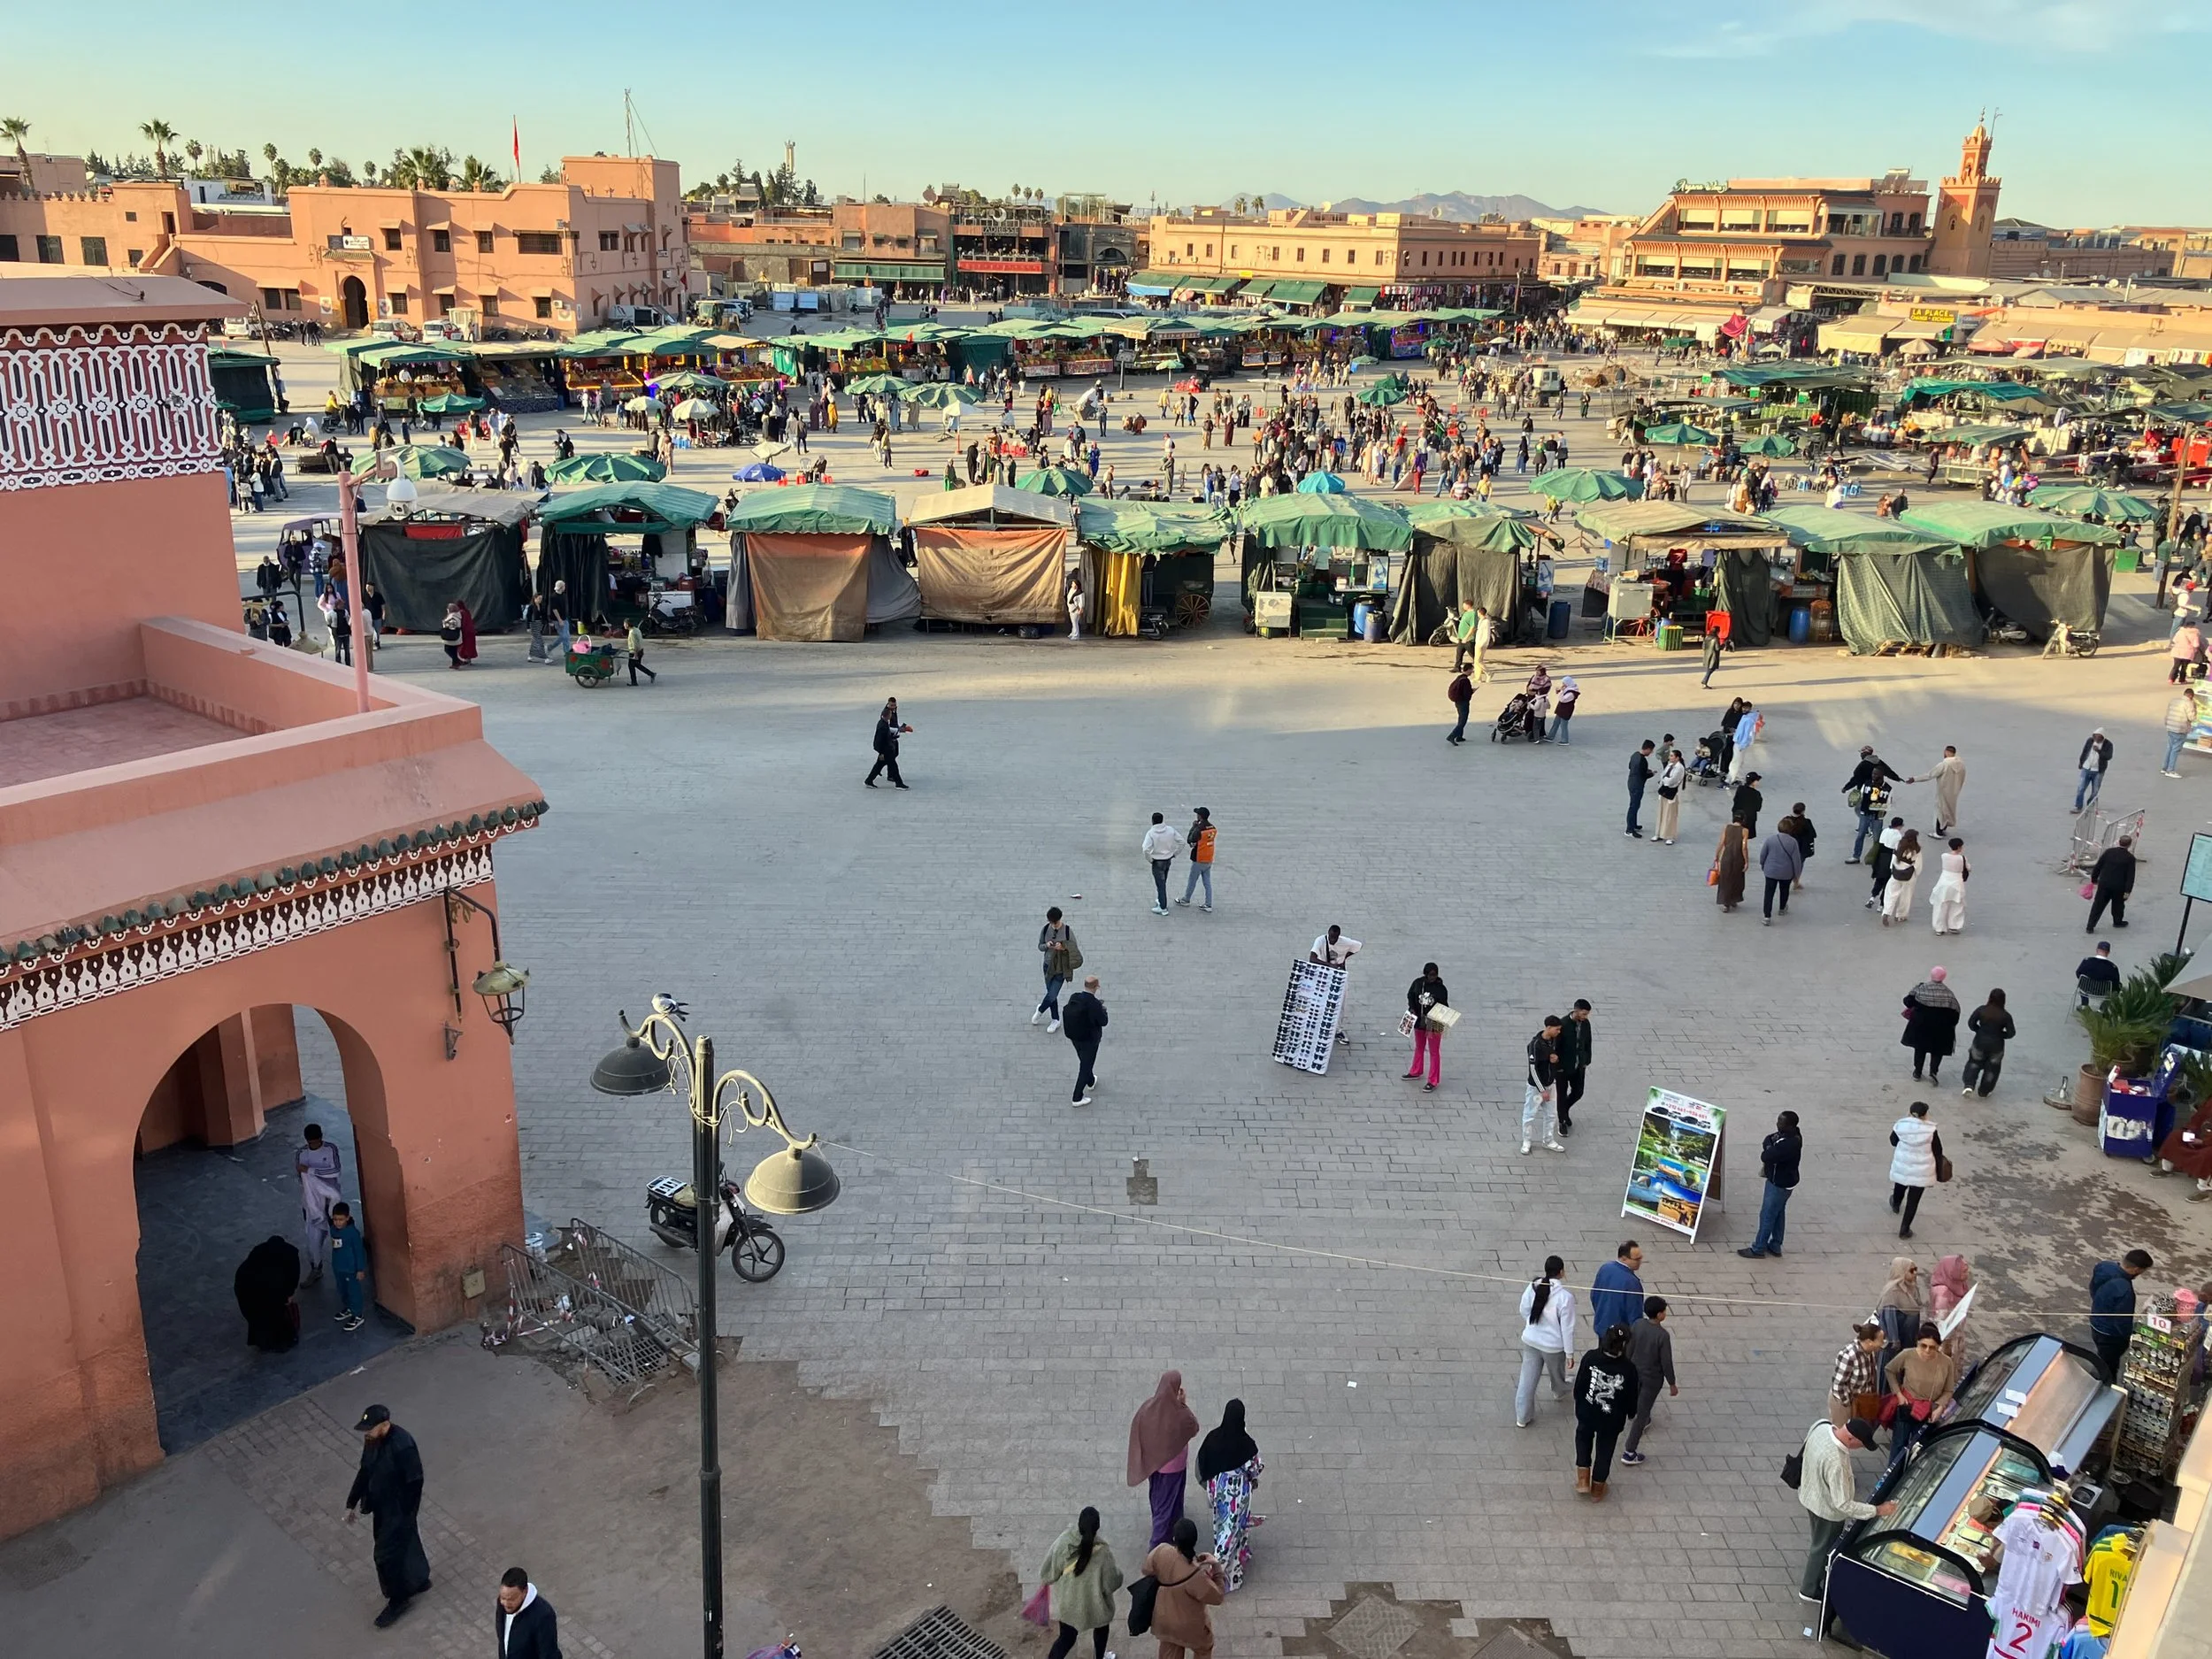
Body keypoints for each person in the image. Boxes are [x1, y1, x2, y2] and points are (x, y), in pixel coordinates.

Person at [345, 1404, 432, 1629]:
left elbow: (415, 1482)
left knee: (385, 1556)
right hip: (382, 1507)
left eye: (370, 1428)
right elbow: (365, 1470)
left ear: (384, 1425)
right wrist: (351, 1502)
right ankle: (420, 1579)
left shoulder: (403, 1446)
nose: (366, 1433)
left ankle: (399, 1600)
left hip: (398, 1509)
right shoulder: (373, 1442)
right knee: (407, 1543)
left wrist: (408, 1515)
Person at [1797, 1417, 1897, 1602]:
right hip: (1826, 1510)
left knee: (1818, 1540)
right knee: (1822, 1547)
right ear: (1851, 1438)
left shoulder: (1820, 1425)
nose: (1860, 1449)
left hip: (1809, 1495)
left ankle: (1817, 1577)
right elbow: (1843, 1504)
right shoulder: (1837, 1462)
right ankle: (1809, 1589)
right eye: (1861, 1444)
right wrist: (1877, 1510)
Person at [1194, 1400, 1263, 1594]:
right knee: (1232, 1531)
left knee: (1221, 1527)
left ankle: (1223, 1562)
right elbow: (1256, 1468)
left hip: (1219, 1493)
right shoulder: (1247, 1445)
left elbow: (1203, 1461)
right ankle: (1220, 1572)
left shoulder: (1213, 1438)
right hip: (1238, 1498)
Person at [1037, 1507, 1123, 1659]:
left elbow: (1048, 1574)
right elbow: (1111, 1583)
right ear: (1098, 1527)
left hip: (1069, 1605)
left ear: (1079, 1524)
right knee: (1101, 1629)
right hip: (1096, 1605)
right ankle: (1100, 1656)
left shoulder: (1063, 1542)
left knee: (1066, 1639)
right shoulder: (1103, 1553)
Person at [1128, 1371, 1201, 1548]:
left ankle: (1173, 1527)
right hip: (1174, 1468)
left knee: (1158, 1495)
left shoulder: (1148, 1408)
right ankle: (1157, 1545)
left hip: (1154, 1465)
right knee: (1168, 1502)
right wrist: (1183, 1405)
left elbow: (1139, 1427)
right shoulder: (1180, 1414)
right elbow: (1194, 1427)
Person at [1571, 1322, 1639, 1502]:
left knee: (1583, 1439)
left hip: (1587, 1411)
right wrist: (1631, 1413)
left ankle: (1583, 1479)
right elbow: (1632, 1396)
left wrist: (1579, 1403)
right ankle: (1598, 1488)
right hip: (1612, 1419)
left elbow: (1580, 1385)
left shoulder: (1591, 1358)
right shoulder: (1628, 1368)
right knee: (1605, 1450)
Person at [1143, 1517, 1225, 1659]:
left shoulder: (1161, 1551)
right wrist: (1216, 1567)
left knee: (1169, 1651)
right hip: (1191, 1627)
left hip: (1164, 1619)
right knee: (1204, 1649)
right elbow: (1217, 1597)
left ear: (1174, 1538)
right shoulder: (1196, 1574)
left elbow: (1146, 1570)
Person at [1883, 1321, 1958, 1471]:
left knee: (1922, 1447)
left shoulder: (1946, 1362)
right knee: (1899, 1445)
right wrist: (1898, 1394)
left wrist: (1940, 1407)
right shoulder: (1907, 1355)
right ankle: (1891, 1477)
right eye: (1923, 1346)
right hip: (1907, 1406)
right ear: (1917, 1343)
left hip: (1929, 1410)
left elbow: (1949, 1390)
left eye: (1932, 1347)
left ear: (1938, 1347)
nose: (1927, 1351)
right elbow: (1889, 1370)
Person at [1515, 1255, 1578, 1428]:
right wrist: (1570, 1353)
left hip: (1531, 1340)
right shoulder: (1565, 1297)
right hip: (1553, 1347)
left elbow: (1524, 1309)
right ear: (1561, 1272)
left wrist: (1533, 1325)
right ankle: (1560, 1391)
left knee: (1527, 1380)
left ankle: (1522, 1416)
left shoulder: (1533, 1286)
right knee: (1557, 1376)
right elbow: (1567, 1328)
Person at [1619, 1298, 1678, 1466]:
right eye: (1664, 1311)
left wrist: (1625, 1366)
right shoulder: (1662, 1335)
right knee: (1642, 1414)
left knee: (1635, 1401)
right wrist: (1672, 1383)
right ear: (1659, 1315)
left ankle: (1634, 1414)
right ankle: (1630, 1451)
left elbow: (1629, 1347)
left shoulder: (1637, 1325)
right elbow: (1666, 1361)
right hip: (1652, 1379)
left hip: (1634, 1373)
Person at [1740, 1110, 1802, 1258]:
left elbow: (1766, 1155)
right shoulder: (1793, 1136)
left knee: (1767, 1215)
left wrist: (1769, 1147)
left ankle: (1758, 1248)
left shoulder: (1787, 1144)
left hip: (1778, 1183)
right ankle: (1775, 1245)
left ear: (1789, 1126)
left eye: (1781, 1122)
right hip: (1787, 1182)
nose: (1777, 1124)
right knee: (1779, 1212)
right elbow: (1768, 1139)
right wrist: (1770, 1145)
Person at [2089, 1250, 2154, 1378]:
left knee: (2102, 1354)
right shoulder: (2124, 1290)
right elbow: (2122, 1321)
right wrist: (2130, 1336)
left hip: (2096, 1320)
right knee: (2109, 1365)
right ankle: (2103, 1383)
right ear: (2136, 1269)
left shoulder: (2104, 1267)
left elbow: (2093, 1288)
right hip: (2109, 1333)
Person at [234, 1233, 303, 1351]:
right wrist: (288, 1295)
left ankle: (264, 1342)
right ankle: (280, 1341)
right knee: (274, 1316)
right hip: (253, 1291)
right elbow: (292, 1276)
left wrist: (288, 1293)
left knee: (260, 1318)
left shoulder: (261, 1253)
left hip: (247, 1290)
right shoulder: (288, 1256)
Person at [1888, 1102, 1944, 1240]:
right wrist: (1938, 1169)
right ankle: (1904, 1229)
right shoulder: (1931, 1130)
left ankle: (1895, 1203)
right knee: (1913, 1201)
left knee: (1900, 1185)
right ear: (1925, 1115)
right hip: (1922, 1170)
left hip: (1903, 1164)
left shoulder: (1901, 1126)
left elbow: (1893, 1141)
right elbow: (1938, 1150)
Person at [297, 1123, 343, 1283]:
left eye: (316, 1142)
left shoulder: (330, 1149)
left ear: (321, 1138)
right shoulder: (302, 1153)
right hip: (311, 1203)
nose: (314, 1145)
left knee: (338, 1234)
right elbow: (301, 1178)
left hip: (331, 1201)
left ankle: (344, 1266)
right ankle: (316, 1268)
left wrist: (311, 1171)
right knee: (312, 1238)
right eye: (311, 1143)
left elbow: (336, 1170)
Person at [1843, 747, 1903, 863]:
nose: (1873, 776)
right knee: (1860, 836)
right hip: (1865, 814)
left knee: (1877, 839)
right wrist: (1855, 800)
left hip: (1877, 817)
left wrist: (1847, 787)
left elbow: (1888, 804)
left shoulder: (1887, 788)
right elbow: (1889, 771)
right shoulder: (1867, 783)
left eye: (1875, 774)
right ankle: (1856, 856)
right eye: (1873, 774)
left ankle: (1878, 856)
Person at [1521, 1014, 1566, 1153]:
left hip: (1550, 1084)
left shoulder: (1553, 1041)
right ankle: (1527, 1141)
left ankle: (1548, 1140)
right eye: (1557, 1029)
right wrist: (1542, 1090)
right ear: (1548, 1027)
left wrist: (1555, 1060)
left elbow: (1554, 1058)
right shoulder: (1535, 1045)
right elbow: (1533, 1069)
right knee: (1530, 1115)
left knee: (1551, 1114)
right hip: (1536, 1088)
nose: (1558, 1032)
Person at [1828, 1323, 1886, 1430]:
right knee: (1842, 1434)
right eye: (1881, 1340)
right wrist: (1850, 1405)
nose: (1883, 1343)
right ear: (1869, 1342)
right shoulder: (1849, 1355)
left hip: (1861, 1401)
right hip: (1844, 1403)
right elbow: (1838, 1385)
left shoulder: (1870, 1352)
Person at [495, 1568, 562, 1659]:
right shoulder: (502, 1604)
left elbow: (549, 1654)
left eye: (512, 1599)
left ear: (525, 1592)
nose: (506, 1603)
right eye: (503, 1598)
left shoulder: (543, 1616)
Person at [1310, 926, 1358, 1045]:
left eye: (1335, 938)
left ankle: (1338, 1031)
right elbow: (1312, 959)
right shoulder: (1320, 941)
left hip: (1339, 976)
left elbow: (1358, 946)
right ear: (1328, 934)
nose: (1332, 940)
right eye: (1331, 937)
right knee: (1320, 1001)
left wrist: (1343, 958)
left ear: (1338, 936)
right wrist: (1329, 965)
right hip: (1323, 975)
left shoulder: (1345, 942)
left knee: (1340, 1003)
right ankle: (1317, 1027)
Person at [1962, 990, 2016, 1098]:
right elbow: (2011, 1033)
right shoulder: (2005, 1016)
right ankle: (1984, 1091)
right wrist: (2001, 1035)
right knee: (1992, 1068)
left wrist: (1979, 1030)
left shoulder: (1982, 1010)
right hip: (1997, 1045)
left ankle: (1969, 1084)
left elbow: (1971, 1023)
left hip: (1980, 1042)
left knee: (1974, 1063)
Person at [1063, 976, 1107, 1106]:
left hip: (1075, 1037)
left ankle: (1091, 1081)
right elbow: (1103, 1022)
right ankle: (1077, 1097)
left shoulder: (1075, 997)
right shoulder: (1094, 1004)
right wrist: (1104, 1011)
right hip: (1090, 1040)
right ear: (1096, 987)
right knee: (1085, 1066)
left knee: (1084, 1060)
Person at [1406, 963, 1449, 1092]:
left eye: (1435, 975)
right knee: (1419, 1047)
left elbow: (1444, 1006)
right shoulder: (1418, 983)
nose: (1433, 977)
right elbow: (1410, 996)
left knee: (1434, 1051)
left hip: (1434, 1021)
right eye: (1430, 975)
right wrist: (1412, 1009)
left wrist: (1435, 1020)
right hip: (1419, 1019)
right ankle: (1416, 1070)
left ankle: (1433, 1080)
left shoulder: (1441, 988)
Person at [1034, 906, 1077, 1032]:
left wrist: (1063, 947)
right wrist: (1046, 945)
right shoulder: (1046, 929)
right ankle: (1055, 1019)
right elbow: (1040, 946)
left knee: (1052, 994)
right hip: (1048, 966)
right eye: (1051, 923)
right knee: (1050, 993)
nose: (1053, 925)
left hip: (1061, 967)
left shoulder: (1067, 930)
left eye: (1055, 923)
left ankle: (1041, 1010)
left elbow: (1074, 948)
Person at [1908, 745, 1966, 834]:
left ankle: (1938, 832)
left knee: (1940, 810)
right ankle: (1943, 828)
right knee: (1949, 809)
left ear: (1947, 752)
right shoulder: (1961, 763)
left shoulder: (1944, 764)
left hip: (1943, 791)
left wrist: (1914, 779)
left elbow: (1930, 775)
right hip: (1954, 791)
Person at [328, 1201, 368, 1331]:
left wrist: (360, 1269)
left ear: (347, 1218)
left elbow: (359, 1252)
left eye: (341, 1219)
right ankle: (349, 1309)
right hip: (338, 1267)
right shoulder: (333, 1230)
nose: (338, 1222)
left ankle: (358, 1315)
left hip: (351, 1269)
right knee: (342, 1290)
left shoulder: (353, 1233)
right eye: (335, 1219)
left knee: (353, 1292)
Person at [1556, 1000, 1593, 1134]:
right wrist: (1558, 1067)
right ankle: (1562, 1122)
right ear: (1576, 1010)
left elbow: (1588, 1042)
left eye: (1587, 1014)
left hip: (1579, 1065)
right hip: (1563, 1068)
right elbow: (1556, 1047)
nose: (1585, 1017)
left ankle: (1563, 1110)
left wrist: (1586, 1060)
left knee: (1578, 1092)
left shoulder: (1585, 1024)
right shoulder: (1563, 1024)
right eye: (1583, 1014)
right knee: (1561, 1093)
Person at [1930, 1254, 1974, 1363]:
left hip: (1956, 1335)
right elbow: (1942, 1323)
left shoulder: (1959, 1285)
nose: (1967, 1274)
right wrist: (1947, 1347)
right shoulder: (1943, 1293)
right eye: (1964, 1272)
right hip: (1947, 1341)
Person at [2087, 835, 2137, 932]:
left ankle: (2090, 926)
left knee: (2098, 905)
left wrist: (2094, 878)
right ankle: (2117, 921)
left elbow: (2098, 866)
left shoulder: (2109, 852)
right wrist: (2128, 891)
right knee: (2118, 905)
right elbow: (2130, 876)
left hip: (2105, 884)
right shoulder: (2130, 858)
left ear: (2119, 842)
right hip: (2119, 887)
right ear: (2129, 845)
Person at [1758, 822, 1805, 924]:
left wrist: (1763, 864)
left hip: (1771, 871)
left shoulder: (1771, 839)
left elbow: (1763, 854)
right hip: (1786, 872)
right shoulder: (1793, 842)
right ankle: (1782, 908)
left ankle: (1767, 916)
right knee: (1784, 890)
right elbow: (1796, 860)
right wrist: (1797, 876)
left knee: (1769, 893)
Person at [865, 698, 913, 788]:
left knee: (881, 763)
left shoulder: (889, 716)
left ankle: (869, 780)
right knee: (892, 764)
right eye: (891, 705)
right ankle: (898, 783)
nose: (893, 707)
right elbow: (885, 734)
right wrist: (901, 730)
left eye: (894, 705)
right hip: (887, 746)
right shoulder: (885, 719)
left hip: (888, 745)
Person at [1176, 808, 1217, 912]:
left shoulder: (1199, 829)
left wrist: (1193, 826)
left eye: (1197, 814)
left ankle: (1186, 900)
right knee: (1207, 882)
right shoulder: (1212, 827)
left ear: (1200, 816)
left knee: (1192, 880)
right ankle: (1208, 904)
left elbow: (1190, 839)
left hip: (1199, 858)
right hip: (1209, 858)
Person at [1880, 829, 1923, 926]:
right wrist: (1916, 874)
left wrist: (1892, 868)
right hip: (1909, 876)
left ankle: (1887, 912)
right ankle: (1900, 915)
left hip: (1896, 873)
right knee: (1906, 896)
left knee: (1891, 894)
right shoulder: (1916, 849)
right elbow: (1918, 865)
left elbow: (1894, 858)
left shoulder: (1898, 844)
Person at [1928, 837, 1970, 935]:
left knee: (1941, 905)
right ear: (1959, 847)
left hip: (1944, 881)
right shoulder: (1962, 858)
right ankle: (1954, 926)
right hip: (1957, 882)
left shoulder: (1944, 856)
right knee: (1957, 905)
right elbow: (1968, 868)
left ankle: (1939, 927)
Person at [1143, 812, 1181, 916]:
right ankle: (1161, 899)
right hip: (1167, 859)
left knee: (1160, 884)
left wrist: (1150, 859)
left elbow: (1145, 849)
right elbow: (1181, 842)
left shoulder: (1151, 833)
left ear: (1152, 821)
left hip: (1157, 861)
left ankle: (1163, 907)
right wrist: (1175, 853)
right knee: (1163, 882)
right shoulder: (1170, 830)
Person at [1712, 818, 1749, 913]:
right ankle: (1734, 899)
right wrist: (1746, 861)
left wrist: (1717, 855)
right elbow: (1744, 847)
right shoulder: (1745, 831)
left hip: (1726, 857)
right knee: (1737, 879)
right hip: (1738, 858)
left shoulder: (1727, 827)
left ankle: (1726, 903)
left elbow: (1721, 842)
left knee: (1725, 879)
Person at [1653, 748, 1686, 845]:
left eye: (1672, 756)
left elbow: (1671, 781)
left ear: (1677, 758)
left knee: (1670, 815)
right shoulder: (1670, 765)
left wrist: (1665, 780)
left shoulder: (1680, 768)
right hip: (1664, 792)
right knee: (1662, 813)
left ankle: (1670, 836)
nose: (1670, 757)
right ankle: (1659, 833)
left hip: (1672, 794)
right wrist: (1665, 780)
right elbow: (1663, 777)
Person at [2164, 687, 2200, 777]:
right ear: (2191, 696)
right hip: (2180, 729)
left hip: (2170, 727)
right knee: (2175, 749)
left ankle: (2164, 767)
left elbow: (2167, 714)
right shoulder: (2189, 703)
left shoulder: (2174, 700)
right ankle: (2170, 770)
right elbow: (2192, 718)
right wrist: (2194, 709)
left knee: (2170, 747)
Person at [2077, 727, 2115, 809]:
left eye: (2099, 737)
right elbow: (2084, 752)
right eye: (2095, 736)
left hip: (2098, 771)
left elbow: (2108, 756)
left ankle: (2090, 805)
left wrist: (2099, 751)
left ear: (2102, 738)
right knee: (2081, 788)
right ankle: (2078, 806)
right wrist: (2081, 762)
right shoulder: (2089, 741)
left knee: (2095, 791)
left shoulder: (2108, 745)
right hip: (2086, 768)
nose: (2096, 739)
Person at [2078, 941, 2123, 1007]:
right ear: (2108, 953)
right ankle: (2102, 1009)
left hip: (2086, 989)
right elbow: (2116, 983)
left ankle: (2084, 1005)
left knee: (2082, 981)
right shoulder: (2112, 967)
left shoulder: (2086, 961)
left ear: (2097, 950)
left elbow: (2078, 974)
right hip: (2103, 992)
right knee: (2119, 986)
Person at [1625, 741, 1654, 838]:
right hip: (1637, 785)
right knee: (1634, 806)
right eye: (1651, 751)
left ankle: (1634, 824)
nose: (1651, 753)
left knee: (1635, 805)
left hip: (1631, 782)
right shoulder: (1643, 761)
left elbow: (1630, 767)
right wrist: (1651, 774)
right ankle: (1629, 830)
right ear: (1648, 749)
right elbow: (1643, 775)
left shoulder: (1634, 755)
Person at [1786, 803, 1817, 890]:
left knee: (1789, 863)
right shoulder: (1806, 822)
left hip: (1788, 847)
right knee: (1799, 864)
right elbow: (1813, 834)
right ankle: (1796, 881)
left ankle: (1788, 879)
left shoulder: (1787, 820)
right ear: (1803, 811)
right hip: (1801, 848)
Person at [1446, 668, 1474, 745]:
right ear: (1468, 670)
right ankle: (1452, 736)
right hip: (1463, 702)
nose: (1472, 671)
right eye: (1471, 670)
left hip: (1458, 702)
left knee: (1460, 718)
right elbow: (1466, 694)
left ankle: (1459, 736)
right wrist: (1472, 692)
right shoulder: (1465, 681)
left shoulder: (1459, 678)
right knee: (1463, 721)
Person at [626, 620, 657, 685]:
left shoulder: (632, 632)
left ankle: (634, 682)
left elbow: (635, 644)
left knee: (631, 666)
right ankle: (651, 674)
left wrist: (635, 654)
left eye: (624, 624)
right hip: (640, 650)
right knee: (637, 665)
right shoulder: (637, 630)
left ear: (627, 624)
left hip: (634, 651)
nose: (624, 625)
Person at [1551, 675, 1579, 744]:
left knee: (1563, 725)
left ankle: (1565, 740)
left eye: (1564, 683)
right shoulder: (1568, 689)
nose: (1563, 685)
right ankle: (1550, 736)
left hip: (1566, 711)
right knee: (1556, 723)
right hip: (1561, 709)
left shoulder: (1572, 693)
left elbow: (1563, 699)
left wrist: (1561, 692)